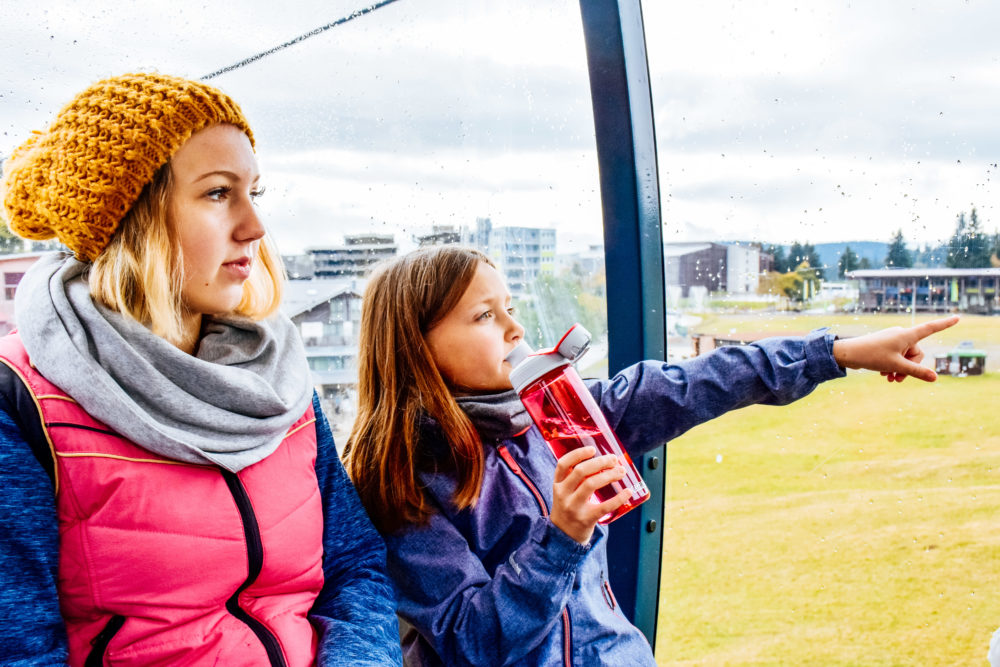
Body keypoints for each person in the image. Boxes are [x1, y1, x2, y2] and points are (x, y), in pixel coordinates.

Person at [343, 245, 959, 666]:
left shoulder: (557, 415)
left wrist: (840, 353)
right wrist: (561, 536)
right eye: (484, 315)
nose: (514, 329)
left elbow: (699, 381)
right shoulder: (401, 482)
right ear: (413, 346)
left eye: (511, 307)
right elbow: (473, 639)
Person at [0, 73, 402, 666]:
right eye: (218, 193)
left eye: (253, 193)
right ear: (132, 221)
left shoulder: (278, 380)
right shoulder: (22, 401)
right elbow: (20, 648)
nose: (254, 227)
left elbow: (354, 565)